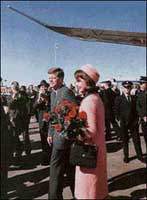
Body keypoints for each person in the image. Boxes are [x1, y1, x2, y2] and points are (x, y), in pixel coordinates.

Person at [74, 64, 108, 199]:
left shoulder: (89, 101)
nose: (76, 84)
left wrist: (73, 132)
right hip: (98, 150)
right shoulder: (96, 98)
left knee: (88, 192)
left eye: (78, 80)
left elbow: (91, 131)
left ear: (88, 82)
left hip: (89, 153)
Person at [47, 67, 77, 199]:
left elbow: (73, 115)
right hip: (56, 137)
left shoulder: (66, 92)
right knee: (69, 170)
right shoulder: (53, 93)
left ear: (61, 79)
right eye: (49, 79)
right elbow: (53, 115)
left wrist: (63, 135)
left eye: (53, 78)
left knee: (55, 170)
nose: (50, 81)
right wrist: (50, 133)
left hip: (63, 139)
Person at [115, 81, 144, 163]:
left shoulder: (134, 98)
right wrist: (118, 120)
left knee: (136, 140)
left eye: (129, 87)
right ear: (122, 88)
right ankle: (126, 156)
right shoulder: (118, 99)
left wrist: (138, 119)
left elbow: (137, 110)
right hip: (123, 122)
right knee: (125, 141)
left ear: (131, 88)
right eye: (125, 87)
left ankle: (140, 156)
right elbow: (116, 111)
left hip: (133, 122)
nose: (127, 89)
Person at [34, 80, 51, 165]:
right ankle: (45, 159)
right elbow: (33, 107)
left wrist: (47, 100)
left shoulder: (51, 95)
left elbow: (52, 107)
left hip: (50, 121)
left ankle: (51, 158)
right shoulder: (37, 96)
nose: (43, 88)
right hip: (41, 121)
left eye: (44, 87)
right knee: (43, 140)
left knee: (50, 140)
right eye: (41, 87)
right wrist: (39, 99)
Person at [136, 76, 147, 145]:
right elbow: (138, 106)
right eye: (140, 83)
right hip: (144, 120)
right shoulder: (139, 94)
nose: (141, 85)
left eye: (142, 83)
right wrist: (143, 116)